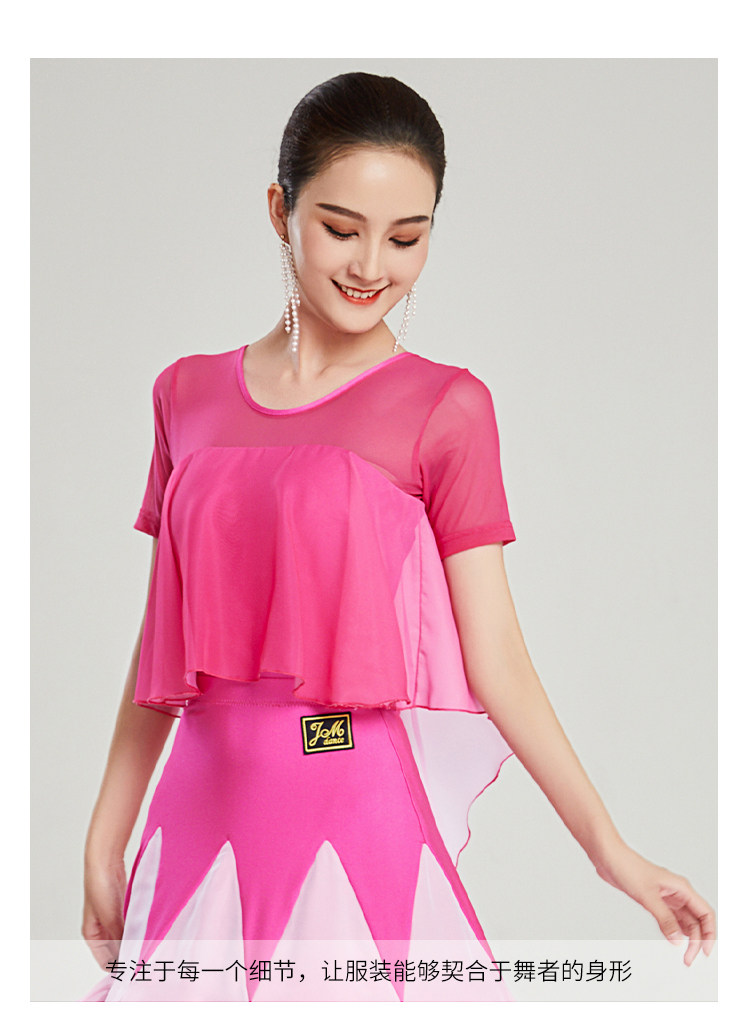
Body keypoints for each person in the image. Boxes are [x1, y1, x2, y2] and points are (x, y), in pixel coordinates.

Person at [81, 71, 715, 1003]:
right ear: (280, 211)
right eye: (341, 228)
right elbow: (160, 639)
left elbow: (498, 657)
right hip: (194, 818)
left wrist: (609, 851)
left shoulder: (446, 408)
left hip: (348, 808)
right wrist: (106, 833)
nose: (372, 264)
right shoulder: (186, 395)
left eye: (407, 237)